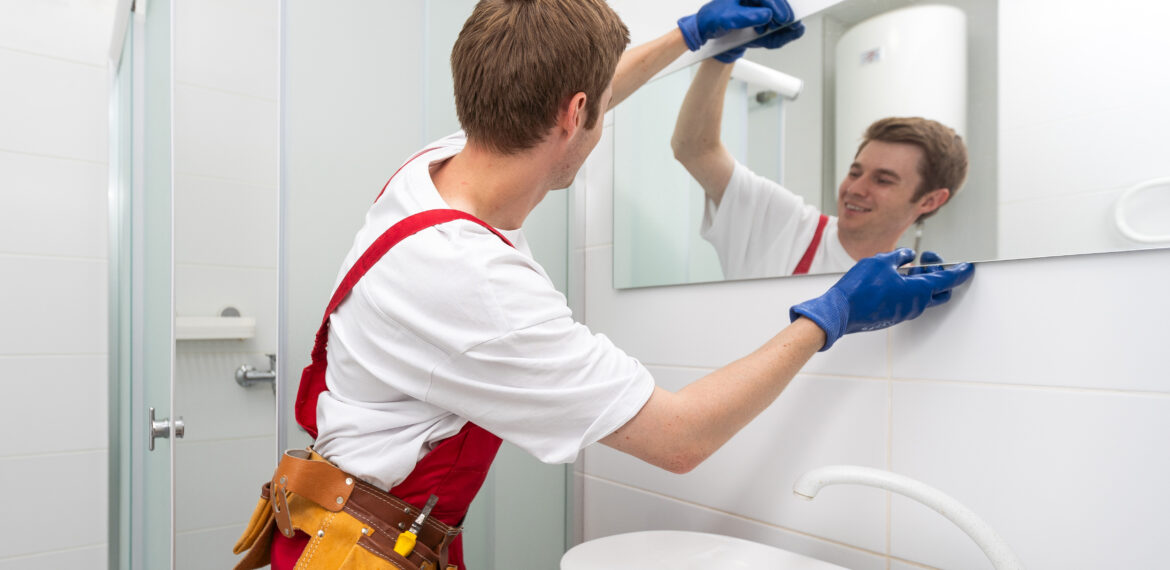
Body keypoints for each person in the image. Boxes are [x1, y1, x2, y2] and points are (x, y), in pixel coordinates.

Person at [232, 1, 974, 569]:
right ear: (577, 114)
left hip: (343, 524)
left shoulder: (436, 168)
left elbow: (570, 98)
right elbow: (680, 439)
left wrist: (688, 36)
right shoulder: (474, 283)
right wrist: (833, 311)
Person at [672, 46, 969, 279]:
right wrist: (722, 54)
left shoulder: (905, 290)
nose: (855, 189)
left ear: (930, 200)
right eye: (855, 172)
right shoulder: (783, 225)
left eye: (883, 180)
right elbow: (695, 150)